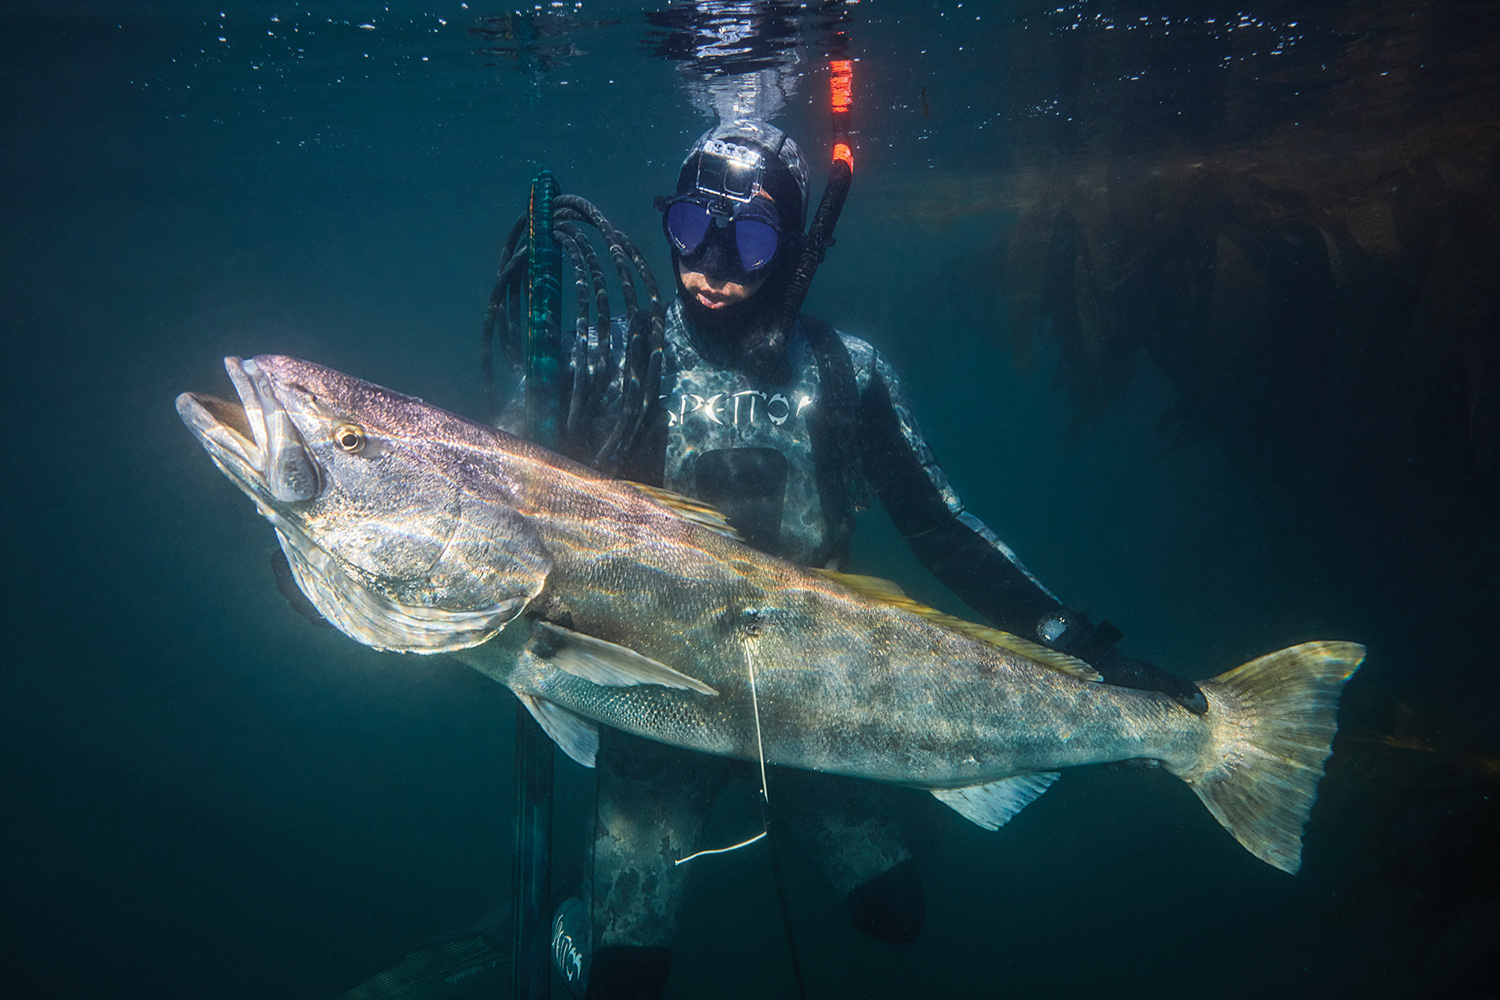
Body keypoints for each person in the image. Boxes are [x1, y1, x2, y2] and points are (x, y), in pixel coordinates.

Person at [532, 119, 1206, 999]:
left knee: (896, 917)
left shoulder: (846, 372)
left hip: (820, 694)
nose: (719, 263)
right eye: (695, 228)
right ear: (667, 221)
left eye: (756, 237)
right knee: (627, 984)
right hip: (650, 696)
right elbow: (513, 508)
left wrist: (1079, 641)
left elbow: (940, 528)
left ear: (795, 244)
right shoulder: (620, 362)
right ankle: (579, 916)